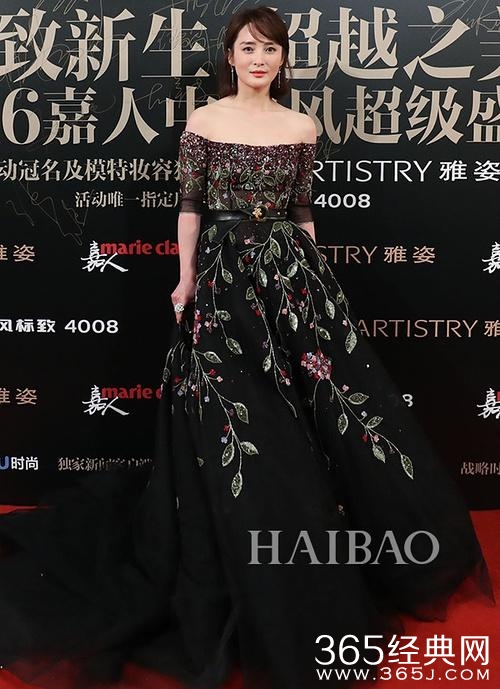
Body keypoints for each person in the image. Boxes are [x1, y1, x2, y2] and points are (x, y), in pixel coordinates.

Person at [0, 5, 494, 689]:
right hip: (225, 277)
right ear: (230, 56)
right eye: (248, 48)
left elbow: (302, 212)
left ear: (283, 60)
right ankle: (230, 565)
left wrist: (319, 282)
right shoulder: (205, 122)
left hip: (292, 279)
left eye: (271, 49)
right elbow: (190, 207)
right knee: (240, 419)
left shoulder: (301, 127)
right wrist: (184, 280)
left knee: (314, 416)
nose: (259, 60)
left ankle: (306, 569)